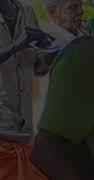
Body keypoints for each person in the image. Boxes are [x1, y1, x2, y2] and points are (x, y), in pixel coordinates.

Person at [0, 0, 52, 179]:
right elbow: (21, 47)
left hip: (24, 129)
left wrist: (49, 52)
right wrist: (18, 45)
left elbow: (38, 67)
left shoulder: (27, 12)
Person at [32, 0, 84, 140]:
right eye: (72, 8)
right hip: (56, 128)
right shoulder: (44, 41)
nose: (80, 12)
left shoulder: (82, 37)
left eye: (80, 6)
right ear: (52, 12)